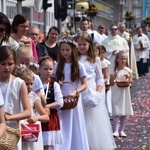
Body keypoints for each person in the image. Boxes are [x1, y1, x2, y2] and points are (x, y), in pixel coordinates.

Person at [75, 32, 116, 150]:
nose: (82, 47)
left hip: (91, 89)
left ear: (89, 45)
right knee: (80, 117)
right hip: (78, 88)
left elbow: (99, 77)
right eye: (79, 44)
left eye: (84, 44)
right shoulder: (74, 59)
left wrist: (98, 92)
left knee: (92, 118)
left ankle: (92, 144)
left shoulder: (95, 59)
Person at [54, 37, 89, 150]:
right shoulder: (57, 65)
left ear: (73, 50)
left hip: (73, 100)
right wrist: (57, 84)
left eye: (67, 50)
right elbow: (53, 80)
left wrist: (75, 91)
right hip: (61, 99)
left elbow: (84, 84)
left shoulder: (79, 66)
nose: (65, 52)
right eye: (63, 50)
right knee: (62, 124)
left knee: (75, 125)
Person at [0, 45, 31, 150]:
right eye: (3, 64)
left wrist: (9, 117)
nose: (7, 67)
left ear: (15, 64)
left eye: (10, 64)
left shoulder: (19, 83)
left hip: (11, 133)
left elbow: (28, 112)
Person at [13, 66, 49, 150]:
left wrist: (37, 117)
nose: (29, 87)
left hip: (29, 132)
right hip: (17, 131)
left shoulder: (33, 97)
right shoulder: (14, 95)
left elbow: (46, 116)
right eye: (26, 84)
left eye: (31, 83)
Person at [38, 56, 63, 150]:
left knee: (48, 144)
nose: (48, 71)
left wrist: (46, 106)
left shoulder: (54, 84)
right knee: (36, 141)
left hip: (49, 116)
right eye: (45, 69)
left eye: (50, 69)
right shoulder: (34, 82)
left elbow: (60, 102)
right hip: (36, 115)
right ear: (39, 69)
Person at [111, 51, 134, 137]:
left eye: (125, 59)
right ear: (117, 59)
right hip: (116, 91)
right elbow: (111, 83)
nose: (123, 60)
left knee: (124, 110)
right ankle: (115, 130)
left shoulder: (128, 70)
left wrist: (128, 79)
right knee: (116, 110)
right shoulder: (113, 70)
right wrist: (114, 76)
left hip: (125, 92)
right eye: (121, 59)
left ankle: (122, 130)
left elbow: (131, 81)